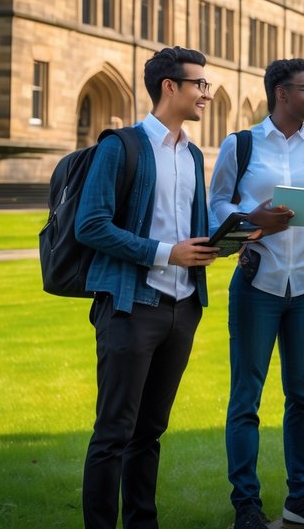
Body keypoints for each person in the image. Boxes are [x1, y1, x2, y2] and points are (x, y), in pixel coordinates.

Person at [75, 46, 220, 529]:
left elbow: (194, 233)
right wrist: (165, 253)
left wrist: (238, 235)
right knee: (114, 431)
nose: (206, 92)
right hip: (130, 306)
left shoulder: (195, 154)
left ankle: (143, 522)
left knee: (150, 432)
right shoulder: (122, 146)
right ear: (170, 87)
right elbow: (90, 225)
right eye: (199, 84)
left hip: (182, 308)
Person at [208, 58, 304, 529]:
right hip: (257, 282)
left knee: (302, 397)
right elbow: (216, 208)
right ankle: (246, 504)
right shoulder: (240, 146)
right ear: (282, 93)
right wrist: (253, 219)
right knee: (246, 398)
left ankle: (300, 498)